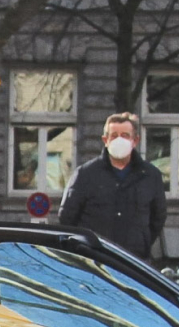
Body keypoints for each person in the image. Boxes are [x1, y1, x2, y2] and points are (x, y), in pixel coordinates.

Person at [58, 110, 169, 259]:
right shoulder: (86, 174)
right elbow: (67, 217)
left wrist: (141, 242)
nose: (119, 140)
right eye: (114, 135)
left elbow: (158, 217)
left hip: (134, 260)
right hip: (94, 258)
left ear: (135, 140)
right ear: (105, 140)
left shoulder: (150, 175)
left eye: (125, 135)